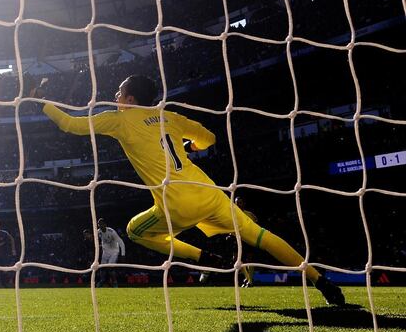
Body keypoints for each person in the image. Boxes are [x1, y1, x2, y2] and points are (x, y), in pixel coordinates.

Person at [29, 74, 345, 305]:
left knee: (136, 231)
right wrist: (190, 146)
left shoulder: (119, 120)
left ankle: (204, 258)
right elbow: (210, 137)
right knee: (258, 236)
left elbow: (70, 124)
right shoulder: (170, 116)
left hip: (176, 205)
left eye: (119, 91)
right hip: (208, 192)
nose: (115, 95)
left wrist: (42, 103)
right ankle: (320, 279)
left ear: (129, 100)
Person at [199, 196, 257, 287]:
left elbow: (255, 226)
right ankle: (248, 278)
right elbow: (229, 226)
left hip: (248, 239)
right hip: (236, 240)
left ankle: (250, 281)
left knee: (250, 259)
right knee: (237, 260)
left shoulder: (250, 215)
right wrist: (229, 234)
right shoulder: (232, 214)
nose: (238, 204)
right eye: (236, 202)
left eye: (240, 202)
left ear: (244, 203)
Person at [97, 218, 125, 287]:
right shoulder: (98, 232)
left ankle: (115, 282)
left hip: (114, 252)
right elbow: (101, 240)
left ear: (105, 225)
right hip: (105, 252)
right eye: (99, 224)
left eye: (102, 224)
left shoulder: (112, 232)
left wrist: (123, 255)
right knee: (102, 268)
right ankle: (102, 281)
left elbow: (121, 242)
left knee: (110, 268)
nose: (100, 225)